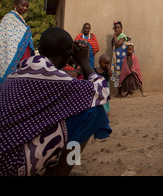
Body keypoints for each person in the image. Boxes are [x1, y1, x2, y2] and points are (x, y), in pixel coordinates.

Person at [0, 27, 111, 176]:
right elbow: (102, 92)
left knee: (66, 114)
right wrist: (84, 61)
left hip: (5, 151)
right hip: (11, 165)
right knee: (91, 112)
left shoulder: (19, 70)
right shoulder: (53, 77)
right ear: (68, 54)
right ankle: (61, 172)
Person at [0, 0, 35, 84]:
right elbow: (7, 39)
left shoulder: (20, 20)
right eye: (23, 5)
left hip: (24, 54)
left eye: (27, 6)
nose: (25, 8)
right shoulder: (8, 19)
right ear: (15, 5)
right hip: (13, 55)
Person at [111, 20, 130, 87]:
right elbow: (112, 45)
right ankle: (119, 92)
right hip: (117, 59)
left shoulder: (122, 36)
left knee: (122, 74)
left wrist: (115, 36)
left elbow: (118, 45)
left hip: (121, 59)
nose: (117, 29)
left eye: (118, 27)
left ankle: (124, 91)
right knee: (118, 75)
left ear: (121, 29)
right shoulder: (116, 37)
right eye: (115, 28)